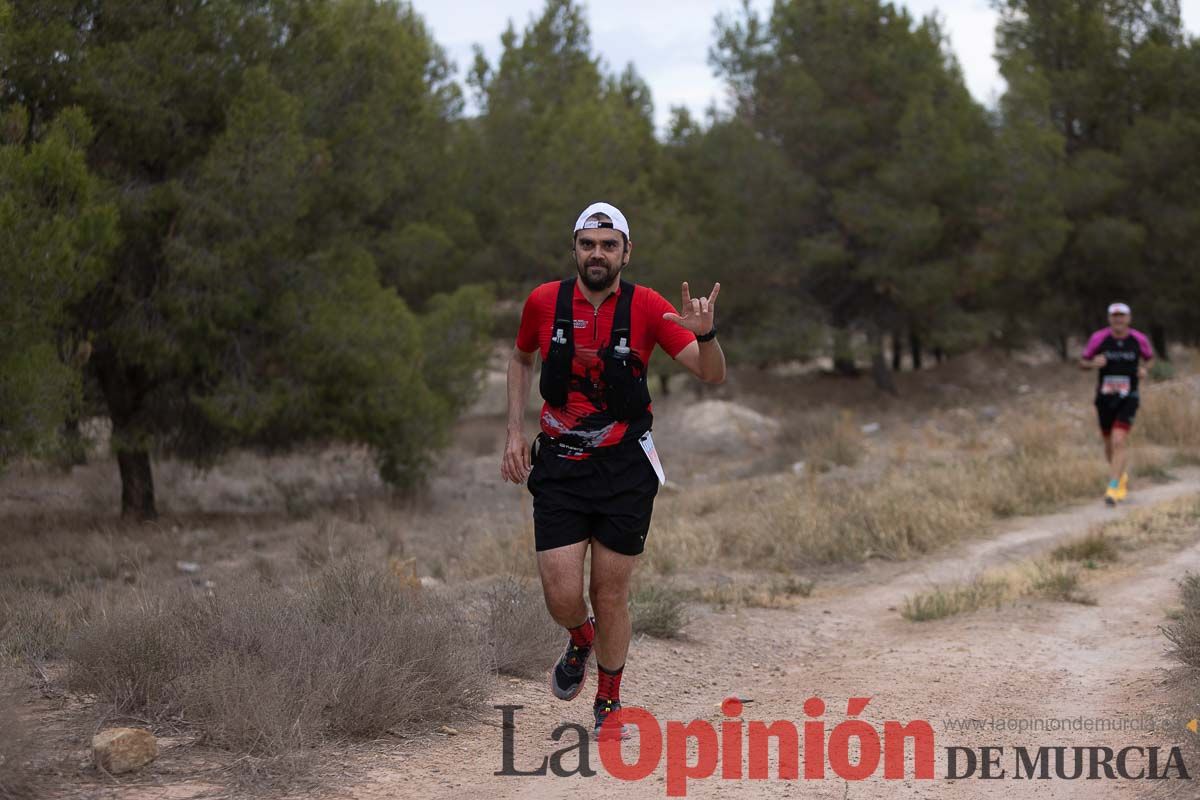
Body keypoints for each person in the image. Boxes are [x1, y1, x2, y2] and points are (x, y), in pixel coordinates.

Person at [499, 202, 726, 738]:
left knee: (610, 592)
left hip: (625, 467)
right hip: (558, 461)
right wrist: (513, 430)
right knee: (561, 595)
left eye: (608, 244)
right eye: (587, 244)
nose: (596, 254)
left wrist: (708, 334)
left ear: (627, 251)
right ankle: (580, 638)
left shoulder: (647, 306)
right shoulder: (543, 302)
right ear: (574, 248)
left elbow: (711, 375)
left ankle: (608, 701)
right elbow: (520, 358)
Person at [1079, 302, 1154, 506]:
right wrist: (1092, 363)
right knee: (1108, 443)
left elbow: (1150, 359)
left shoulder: (1138, 339)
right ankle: (1120, 476)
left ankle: (1112, 487)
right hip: (1105, 397)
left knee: (1119, 440)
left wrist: (1144, 369)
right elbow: (1083, 362)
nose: (1118, 319)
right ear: (1109, 318)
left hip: (1129, 396)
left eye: (1122, 316)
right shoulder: (1099, 338)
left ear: (1128, 318)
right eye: (1115, 316)